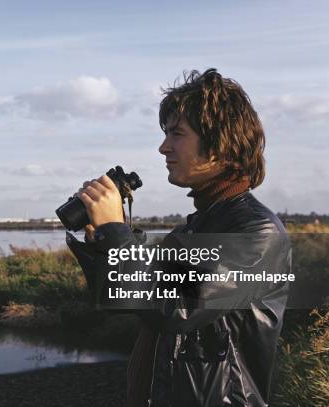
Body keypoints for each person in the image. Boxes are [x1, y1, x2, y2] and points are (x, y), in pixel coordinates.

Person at [66, 68, 290, 407]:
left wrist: (117, 231)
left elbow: (177, 309)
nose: (163, 147)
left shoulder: (257, 232)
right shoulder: (191, 229)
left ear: (218, 143)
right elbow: (122, 297)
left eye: (177, 134)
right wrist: (103, 241)